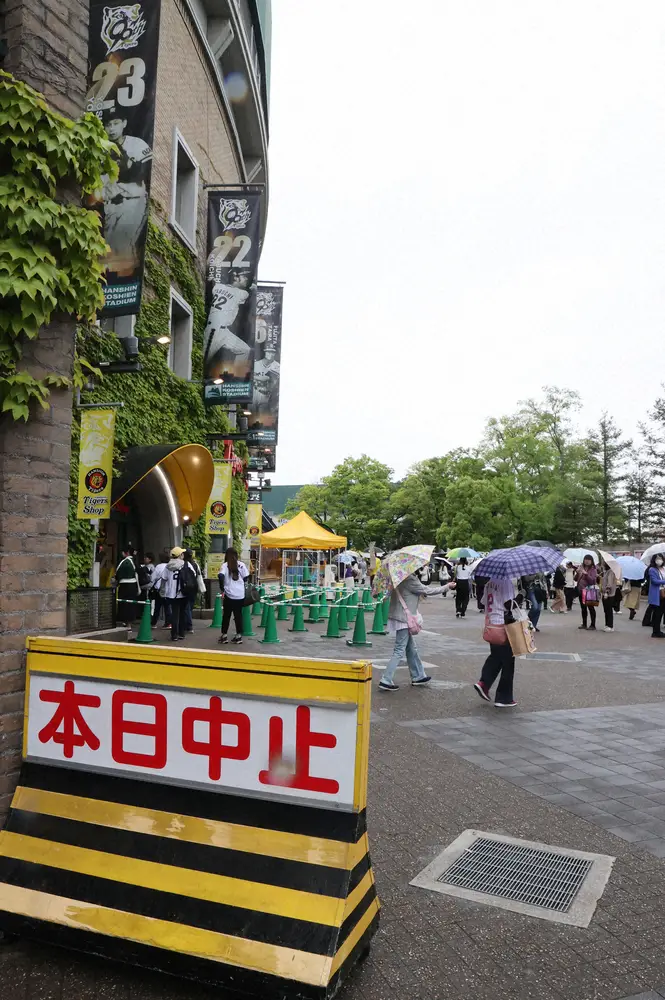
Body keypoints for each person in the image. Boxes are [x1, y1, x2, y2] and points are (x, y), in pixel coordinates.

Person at [378, 572, 450, 691]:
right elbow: (427, 590)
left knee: (411, 648)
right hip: (405, 618)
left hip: (399, 616)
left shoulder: (397, 578)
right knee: (399, 649)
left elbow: (388, 594)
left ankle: (418, 675)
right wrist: (447, 587)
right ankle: (386, 679)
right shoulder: (409, 579)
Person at [474, 578, 518, 708]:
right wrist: (521, 596)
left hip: (492, 625)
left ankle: (484, 683)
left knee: (496, 656)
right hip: (503, 626)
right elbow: (509, 605)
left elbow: (483, 602)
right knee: (508, 662)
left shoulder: (489, 583)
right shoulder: (506, 582)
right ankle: (503, 698)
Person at [218, 547, 249, 644]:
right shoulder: (242, 565)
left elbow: (220, 576)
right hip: (240, 595)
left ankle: (224, 636)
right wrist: (241, 584)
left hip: (229, 594)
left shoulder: (225, 565)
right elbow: (246, 577)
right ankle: (238, 636)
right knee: (238, 615)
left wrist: (222, 587)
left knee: (226, 615)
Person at [161, 547, 187, 642]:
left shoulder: (168, 566)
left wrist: (162, 591)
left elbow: (164, 579)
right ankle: (181, 633)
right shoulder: (185, 564)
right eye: (182, 553)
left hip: (171, 594)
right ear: (180, 555)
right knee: (182, 613)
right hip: (183, 593)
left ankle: (174, 635)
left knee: (174, 614)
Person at [115, 545, 139, 627]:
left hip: (125, 586)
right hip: (134, 585)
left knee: (124, 604)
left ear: (127, 552)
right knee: (131, 604)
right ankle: (130, 623)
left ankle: (125, 622)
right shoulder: (135, 561)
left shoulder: (124, 562)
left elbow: (117, 574)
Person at [183, 548, 206, 634]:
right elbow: (199, 576)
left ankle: (189, 626)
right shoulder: (195, 564)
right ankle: (187, 624)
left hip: (186, 587)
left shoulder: (185, 564)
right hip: (194, 587)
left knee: (187, 607)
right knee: (190, 606)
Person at [576, 555, 599, 631]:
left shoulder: (593, 569)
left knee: (591, 608)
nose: (587, 561)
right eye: (585, 559)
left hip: (589, 590)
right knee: (583, 608)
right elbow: (576, 579)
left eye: (589, 559)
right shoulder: (581, 567)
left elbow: (592, 581)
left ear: (592, 561)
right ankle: (584, 624)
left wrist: (585, 574)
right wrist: (577, 572)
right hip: (581, 590)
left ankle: (593, 625)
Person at [150, 549, 172, 629]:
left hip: (159, 590)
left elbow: (152, 578)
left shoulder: (159, 567)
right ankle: (168, 623)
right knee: (167, 607)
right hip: (168, 590)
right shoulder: (170, 566)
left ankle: (154, 623)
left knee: (157, 607)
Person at [646, 554, 665, 639]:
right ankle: (655, 631)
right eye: (657, 559)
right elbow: (654, 581)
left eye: (660, 558)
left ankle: (657, 631)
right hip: (657, 594)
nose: (659, 560)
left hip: (663, 592)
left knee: (661, 612)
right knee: (657, 613)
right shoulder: (652, 569)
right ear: (654, 560)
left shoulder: (663, 569)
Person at [600, 561, 618, 632]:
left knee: (608, 610)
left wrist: (607, 592)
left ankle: (610, 625)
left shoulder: (610, 572)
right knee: (606, 610)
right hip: (605, 593)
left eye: (604, 563)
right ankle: (607, 624)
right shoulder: (606, 572)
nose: (603, 565)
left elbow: (609, 583)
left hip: (609, 594)